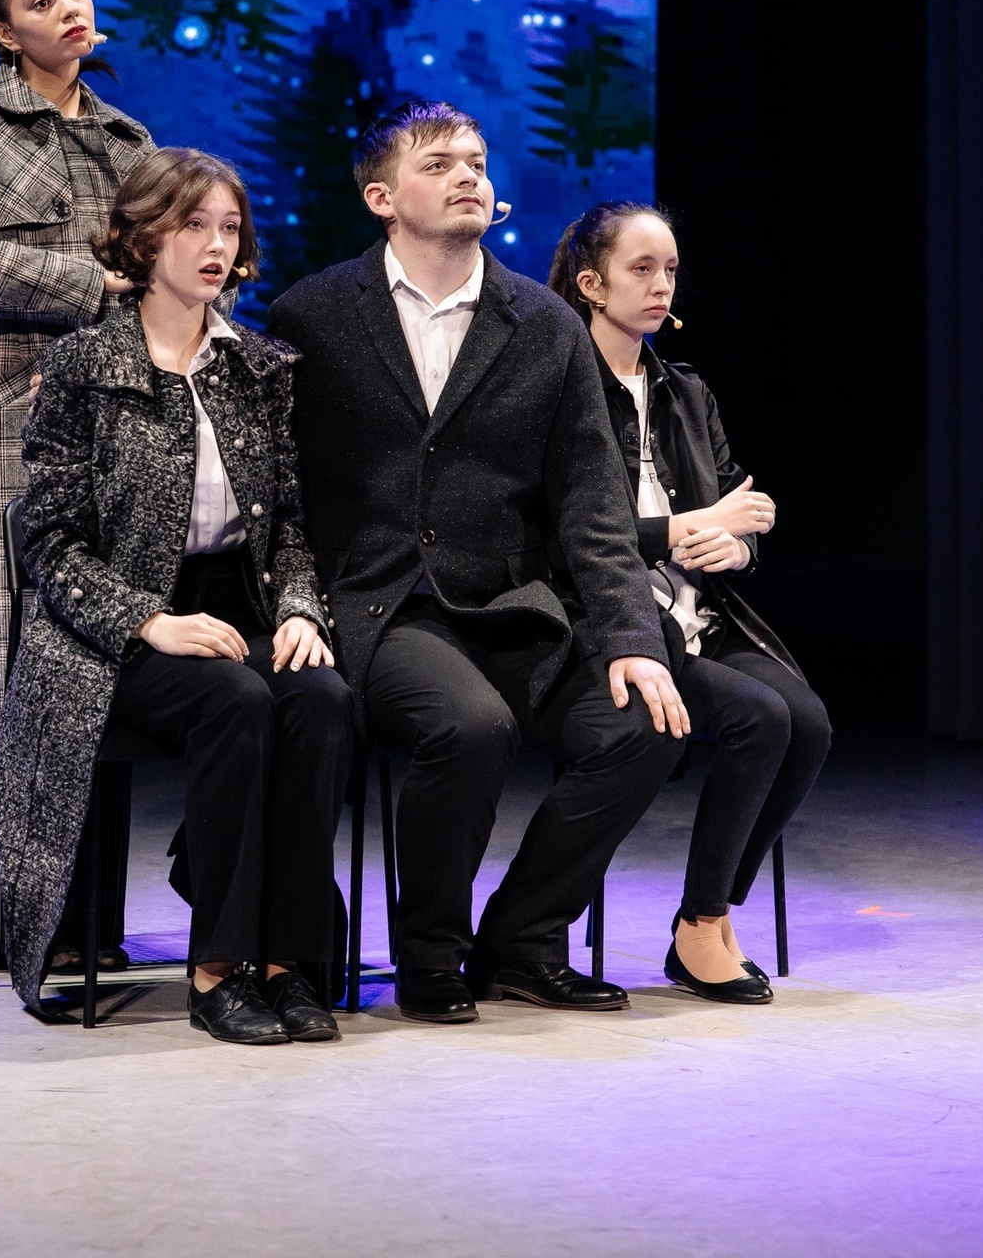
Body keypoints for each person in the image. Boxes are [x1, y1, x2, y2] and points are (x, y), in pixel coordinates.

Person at [268, 101, 689, 1024]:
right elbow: (281, 491)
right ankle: (429, 956)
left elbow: (593, 505)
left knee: (644, 726)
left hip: (509, 602)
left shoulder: (543, 322)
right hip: (382, 603)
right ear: (381, 198)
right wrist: (296, 605)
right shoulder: (314, 314)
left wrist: (633, 639)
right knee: (469, 727)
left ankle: (521, 942)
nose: (467, 175)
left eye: (477, 161)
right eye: (438, 163)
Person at [0, 147, 354, 1041]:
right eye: (194, 225)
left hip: (239, 604)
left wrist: (300, 609)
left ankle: (288, 961)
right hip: (111, 630)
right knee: (234, 699)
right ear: (145, 238)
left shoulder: (260, 367)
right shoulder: (85, 364)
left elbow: (292, 524)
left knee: (322, 698)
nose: (217, 246)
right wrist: (149, 620)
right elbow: (49, 540)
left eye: (230, 228)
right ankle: (217, 970)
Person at [0, 0, 153, 972]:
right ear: (4, 32)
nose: (69, 8)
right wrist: (97, 285)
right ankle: (13, 919)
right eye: (41, 0)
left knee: (95, 647)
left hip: (113, 412)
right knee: (9, 656)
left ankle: (90, 917)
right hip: (0, 406)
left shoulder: (129, 139)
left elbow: (172, 264)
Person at [549, 201, 832, 1005]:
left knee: (808, 722)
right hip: (612, 624)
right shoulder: (562, 389)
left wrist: (738, 545)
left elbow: (739, 503)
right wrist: (685, 529)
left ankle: (706, 912)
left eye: (670, 270)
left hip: (699, 614)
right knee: (759, 717)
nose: (661, 285)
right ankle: (703, 926)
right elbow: (569, 535)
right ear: (591, 284)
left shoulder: (684, 392)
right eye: (641, 269)